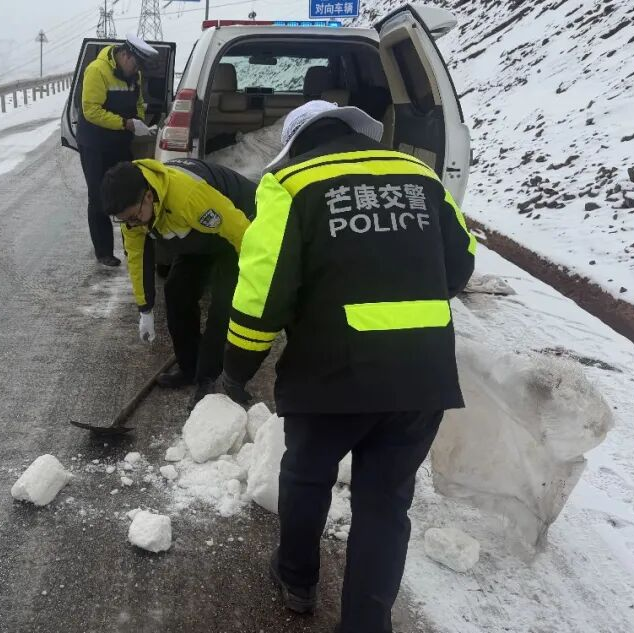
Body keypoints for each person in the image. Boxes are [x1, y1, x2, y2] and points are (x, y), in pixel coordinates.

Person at [220, 101, 476, 632]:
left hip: (332, 372)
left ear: (296, 143)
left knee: (306, 476)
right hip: (421, 375)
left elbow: (263, 293)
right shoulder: (421, 175)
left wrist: (236, 369)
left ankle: (297, 579)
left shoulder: (289, 184)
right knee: (385, 506)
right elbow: (460, 265)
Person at [101, 158, 257, 406]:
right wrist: (145, 308)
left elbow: (240, 230)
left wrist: (254, 275)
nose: (131, 224)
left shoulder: (187, 195)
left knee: (224, 303)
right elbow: (137, 258)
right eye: (124, 220)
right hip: (197, 233)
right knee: (176, 292)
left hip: (238, 224)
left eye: (134, 216)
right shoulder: (133, 213)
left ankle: (209, 378)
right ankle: (189, 368)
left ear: (148, 196)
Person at [78, 34, 158, 267]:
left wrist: (139, 120)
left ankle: (131, 246)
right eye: (135, 65)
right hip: (95, 144)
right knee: (98, 196)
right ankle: (104, 251)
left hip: (120, 142)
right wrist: (126, 123)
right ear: (125, 55)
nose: (136, 71)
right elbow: (91, 110)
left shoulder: (134, 75)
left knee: (129, 191)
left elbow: (139, 102)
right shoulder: (97, 70)